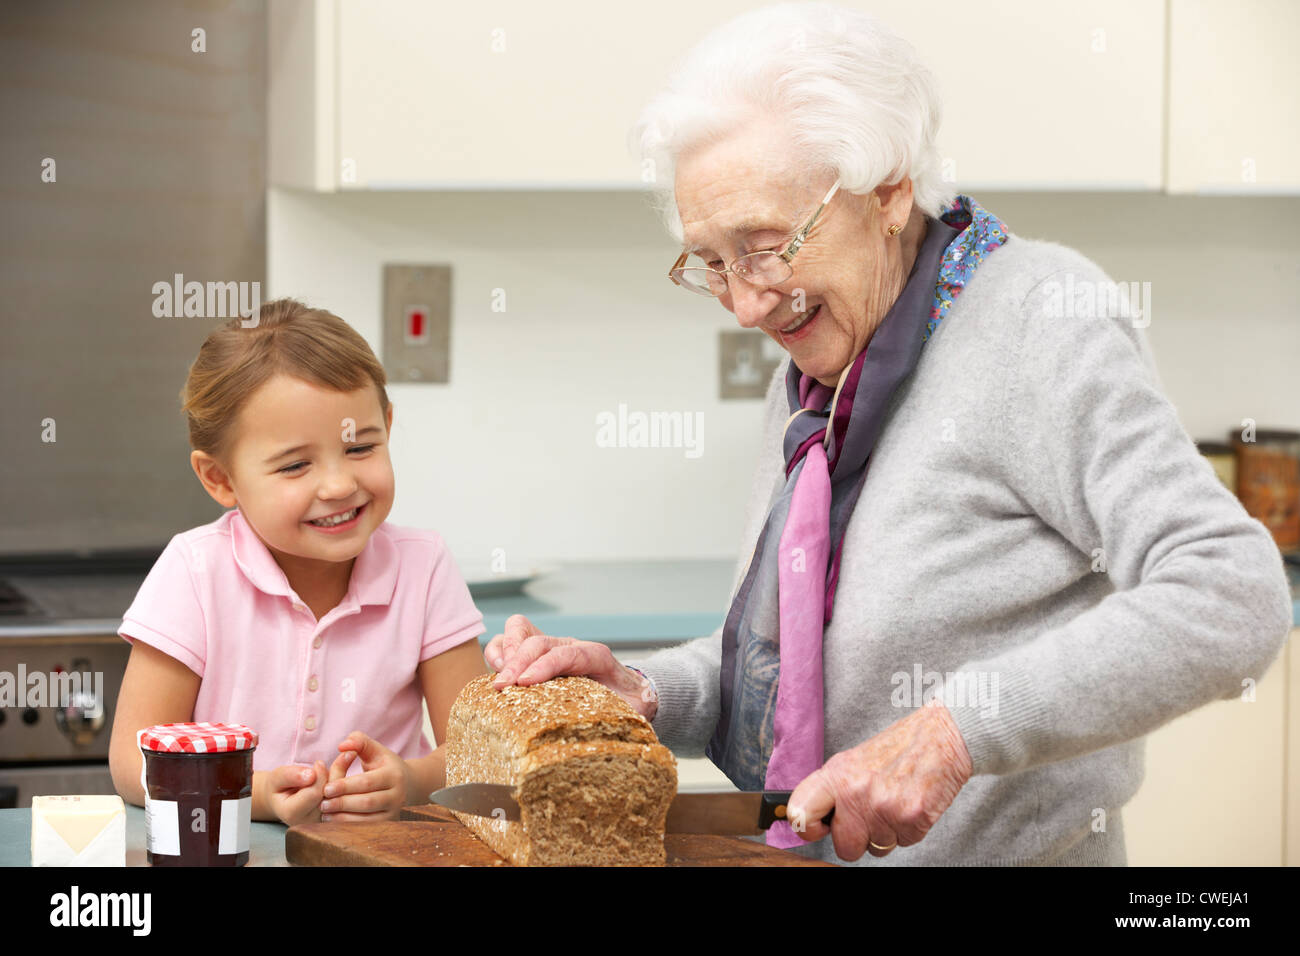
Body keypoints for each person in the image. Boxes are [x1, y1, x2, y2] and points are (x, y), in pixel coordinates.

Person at [485, 2, 1294, 865]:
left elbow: (1231, 591)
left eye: (765, 244)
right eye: (712, 262)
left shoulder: (1038, 320)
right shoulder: (817, 375)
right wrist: (643, 691)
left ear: (889, 190)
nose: (747, 304)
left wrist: (954, 735)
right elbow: (800, 668)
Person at [108, 298, 487, 826]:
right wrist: (253, 793)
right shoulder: (195, 572)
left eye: (359, 449)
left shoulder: (423, 568)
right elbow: (133, 762)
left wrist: (413, 782)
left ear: (388, 427)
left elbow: (481, 754)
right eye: (295, 465)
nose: (338, 485)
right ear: (220, 478)